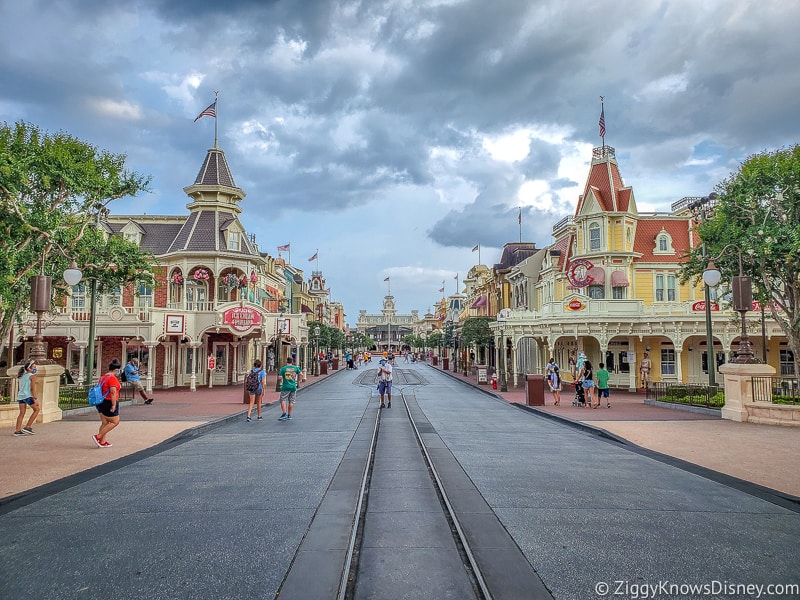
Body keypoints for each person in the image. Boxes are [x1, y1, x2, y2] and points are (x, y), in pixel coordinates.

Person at [93, 359, 122, 448]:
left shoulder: (103, 377)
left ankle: (102, 441)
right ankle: (98, 437)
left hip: (101, 402)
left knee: (104, 422)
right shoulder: (112, 378)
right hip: (109, 401)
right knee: (115, 421)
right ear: (116, 370)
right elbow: (113, 392)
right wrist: (113, 405)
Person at [14, 359, 40, 436]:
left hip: (21, 396)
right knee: (37, 409)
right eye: (34, 367)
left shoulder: (22, 376)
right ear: (29, 368)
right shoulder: (32, 376)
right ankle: (28, 427)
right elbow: (32, 388)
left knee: (21, 413)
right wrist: (35, 399)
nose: (35, 369)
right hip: (27, 396)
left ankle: (17, 430)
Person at [277, 356, 303, 421]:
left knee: (283, 399)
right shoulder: (295, 368)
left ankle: (284, 413)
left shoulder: (283, 369)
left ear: (286, 361)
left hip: (285, 386)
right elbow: (301, 374)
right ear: (292, 361)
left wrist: (281, 376)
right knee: (291, 400)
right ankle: (289, 415)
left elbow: (279, 378)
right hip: (293, 386)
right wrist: (299, 380)